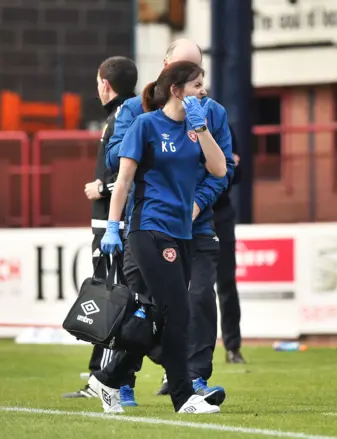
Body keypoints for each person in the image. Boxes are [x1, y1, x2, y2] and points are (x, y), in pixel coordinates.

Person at [89, 61, 227, 414]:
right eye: (197, 85)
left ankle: (108, 379)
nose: (203, 91)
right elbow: (122, 182)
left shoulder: (198, 128)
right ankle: (184, 397)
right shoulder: (145, 125)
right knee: (177, 312)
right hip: (148, 229)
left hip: (183, 233)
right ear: (177, 89)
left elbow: (220, 169)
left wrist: (203, 129)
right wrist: (112, 228)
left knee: (159, 316)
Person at [62, 56, 139, 405]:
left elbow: (131, 172)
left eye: (98, 82)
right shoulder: (123, 115)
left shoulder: (125, 116)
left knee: (112, 301)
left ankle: (106, 378)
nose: (97, 88)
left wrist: (103, 190)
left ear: (105, 85)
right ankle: (108, 375)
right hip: (111, 222)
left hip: (114, 223)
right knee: (112, 297)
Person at [214, 126, 246, 364]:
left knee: (226, 284)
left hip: (221, 214)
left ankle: (233, 347)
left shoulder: (223, 126)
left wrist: (230, 167)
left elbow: (238, 172)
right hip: (188, 216)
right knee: (189, 289)